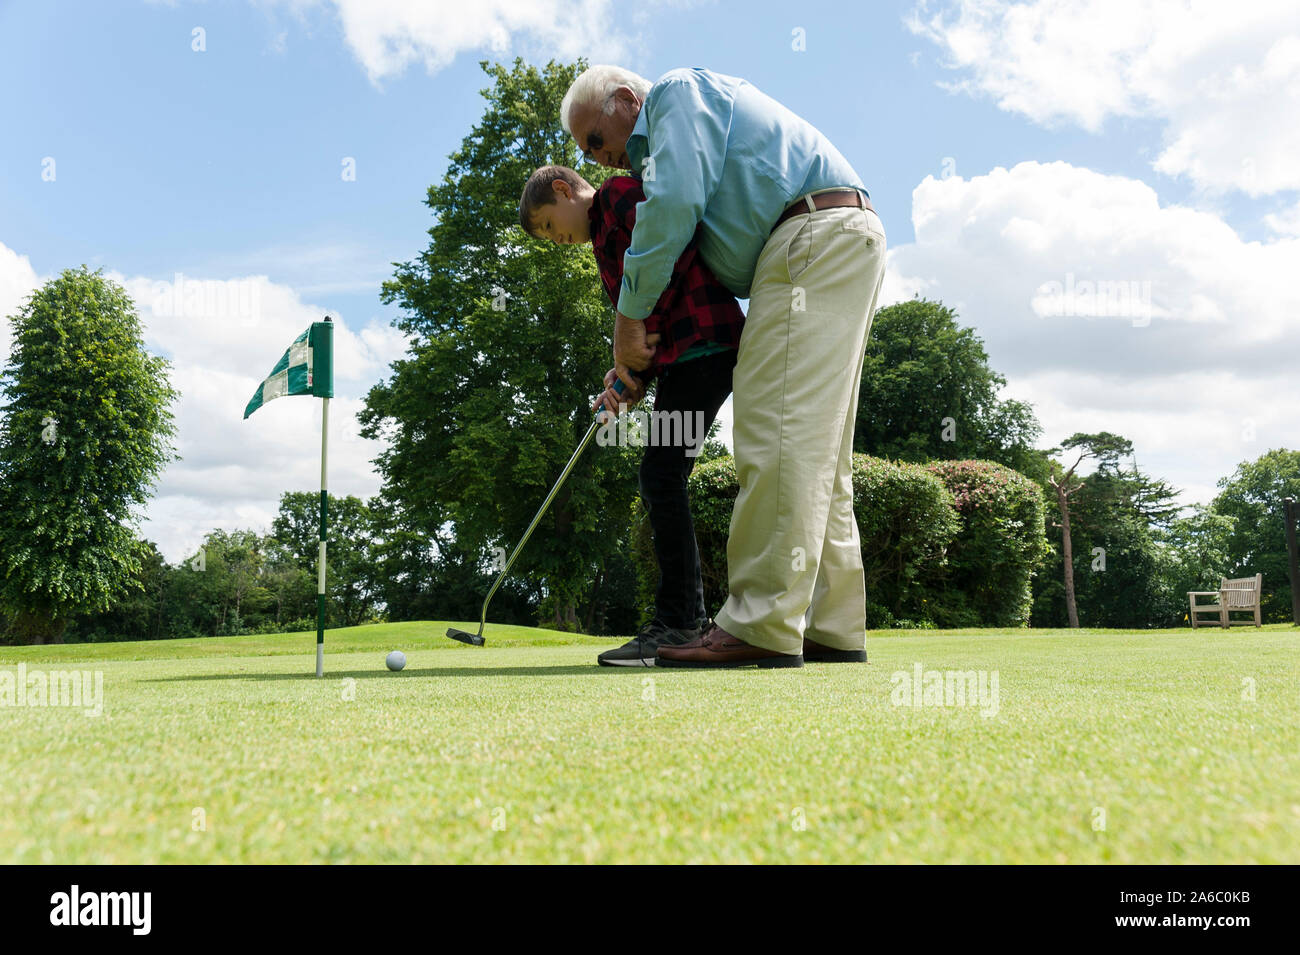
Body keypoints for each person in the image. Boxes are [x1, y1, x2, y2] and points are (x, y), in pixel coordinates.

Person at [560, 66, 887, 668]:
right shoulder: (661, 143)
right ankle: (831, 625)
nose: (601, 159)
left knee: (773, 433)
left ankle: (761, 622)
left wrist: (627, 319)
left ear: (627, 101)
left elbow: (676, 203)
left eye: (596, 141)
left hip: (809, 237)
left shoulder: (677, 95)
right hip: (834, 235)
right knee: (820, 451)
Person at [518, 164, 744, 666]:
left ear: (564, 190)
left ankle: (680, 623)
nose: (559, 240)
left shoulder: (618, 196)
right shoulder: (601, 240)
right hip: (685, 358)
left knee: (661, 476)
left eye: (552, 226)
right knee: (662, 476)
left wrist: (636, 352)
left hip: (704, 344)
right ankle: (684, 619)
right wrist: (629, 380)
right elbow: (639, 327)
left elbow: (672, 248)